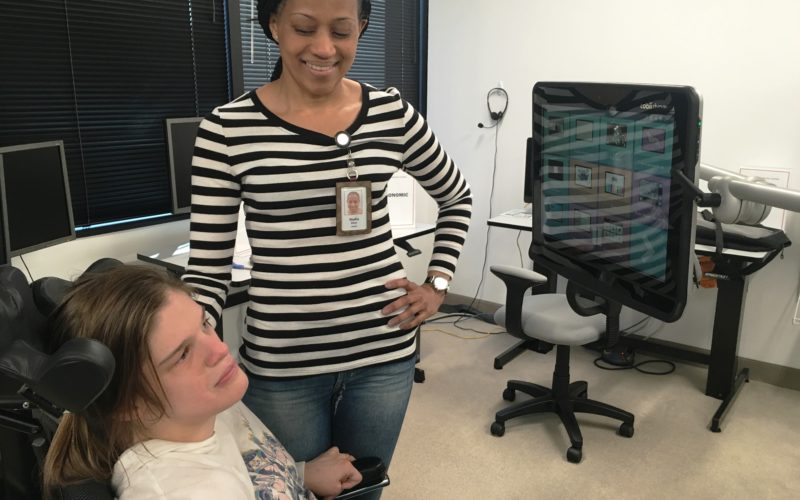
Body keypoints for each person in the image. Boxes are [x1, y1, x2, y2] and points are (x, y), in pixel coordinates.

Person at [182, 0, 472, 495]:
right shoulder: (227, 130)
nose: (323, 48)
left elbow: (456, 197)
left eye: (341, 30)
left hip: (384, 355)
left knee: (363, 490)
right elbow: (208, 271)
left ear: (360, 28)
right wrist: (186, 341)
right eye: (303, 28)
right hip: (284, 367)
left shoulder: (392, 114)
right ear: (273, 26)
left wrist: (437, 284)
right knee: (294, 492)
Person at [41, 265, 362, 499]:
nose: (220, 350)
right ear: (127, 403)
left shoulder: (206, 408)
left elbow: (247, 468)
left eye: (205, 324)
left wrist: (300, 474)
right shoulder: (184, 491)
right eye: (182, 355)